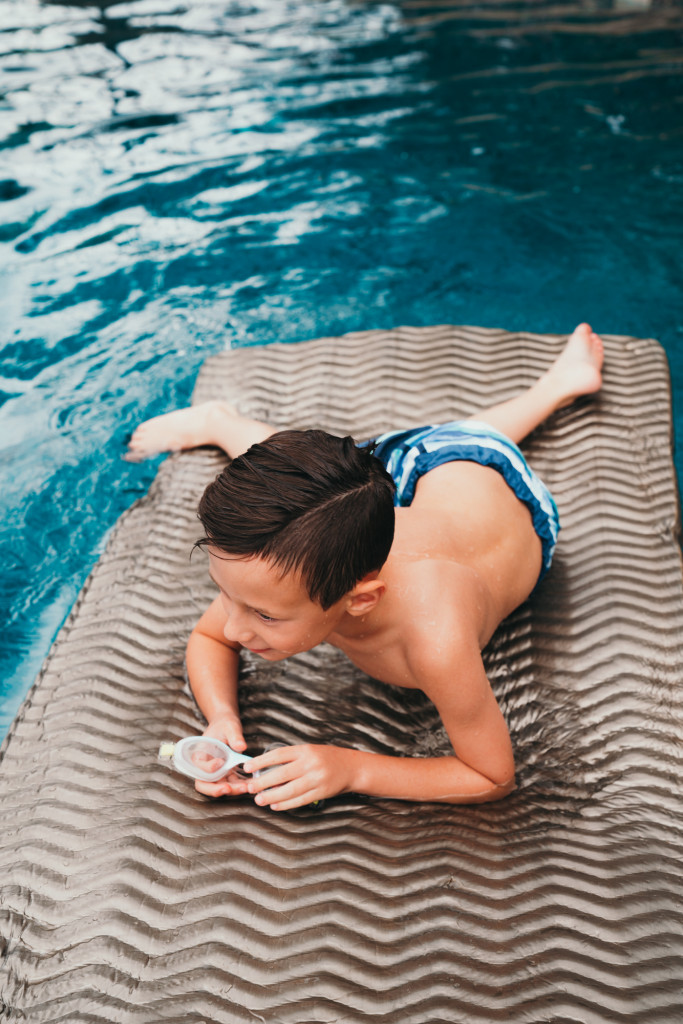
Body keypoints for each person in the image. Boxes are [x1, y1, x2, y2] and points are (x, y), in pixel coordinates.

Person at [128, 323, 604, 810]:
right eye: (226, 594)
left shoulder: (435, 640)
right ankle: (219, 421)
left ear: (361, 599)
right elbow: (210, 639)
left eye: (265, 616)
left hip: (479, 480)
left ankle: (555, 387)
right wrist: (221, 719)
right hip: (416, 491)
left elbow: (491, 774)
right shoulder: (291, 573)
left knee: (466, 439)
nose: (232, 624)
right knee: (317, 485)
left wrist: (350, 767)